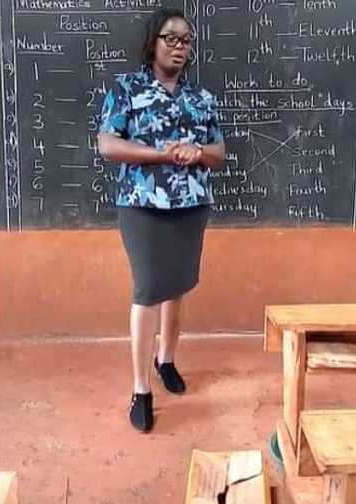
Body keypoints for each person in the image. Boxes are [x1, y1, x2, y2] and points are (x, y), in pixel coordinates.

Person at [97, 8, 226, 433]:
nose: (178, 46)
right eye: (170, 38)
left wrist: (197, 153)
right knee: (149, 289)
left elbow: (218, 153)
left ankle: (166, 360)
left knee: (178, 285)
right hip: (142, 206)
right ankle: (141, 388)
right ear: (153, 42)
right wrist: (163, 154)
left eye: (186, 40)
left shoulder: (201, 98)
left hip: (191, 206)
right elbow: (108, 145)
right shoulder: (127, 88)